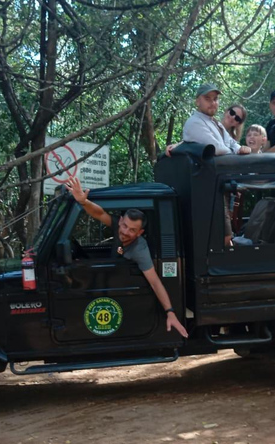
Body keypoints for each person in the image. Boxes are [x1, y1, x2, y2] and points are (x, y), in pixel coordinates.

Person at [64, 175, 189, 338]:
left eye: (132, 230)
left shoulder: (139, 249)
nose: (125, 232)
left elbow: (155, 282)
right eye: (124, 226)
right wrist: (83, 202)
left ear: (139, 233)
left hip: (125, 292)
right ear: (121, 220)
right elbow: (99, 213)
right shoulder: (117, 226)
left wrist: (170, 312)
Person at [179, 83, 252, 155]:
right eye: (207, 99)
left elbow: (232, 143)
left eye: (215, 99)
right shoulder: (195, 122)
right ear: (197, 102)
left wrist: (240, 149)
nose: (213, 103)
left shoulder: (216, 124)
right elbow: (217, 148)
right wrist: (237, 151)